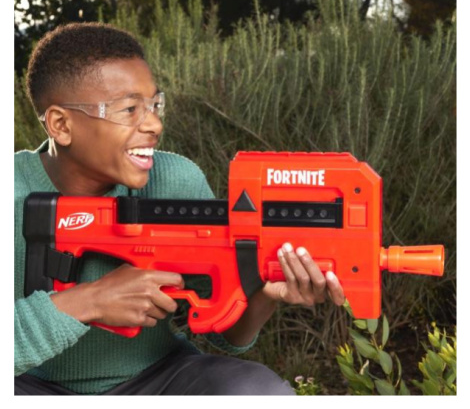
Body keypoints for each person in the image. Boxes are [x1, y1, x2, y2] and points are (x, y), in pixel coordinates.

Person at [14, 22, 346, 395]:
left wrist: (267, 293)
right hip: (25, 386)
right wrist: (90, 301)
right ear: (61, 124)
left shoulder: (175, 179)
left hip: (160, 378)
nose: (154, 124)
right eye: (129, 109)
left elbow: (227, 335)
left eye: (155, 105)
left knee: (259, 391)